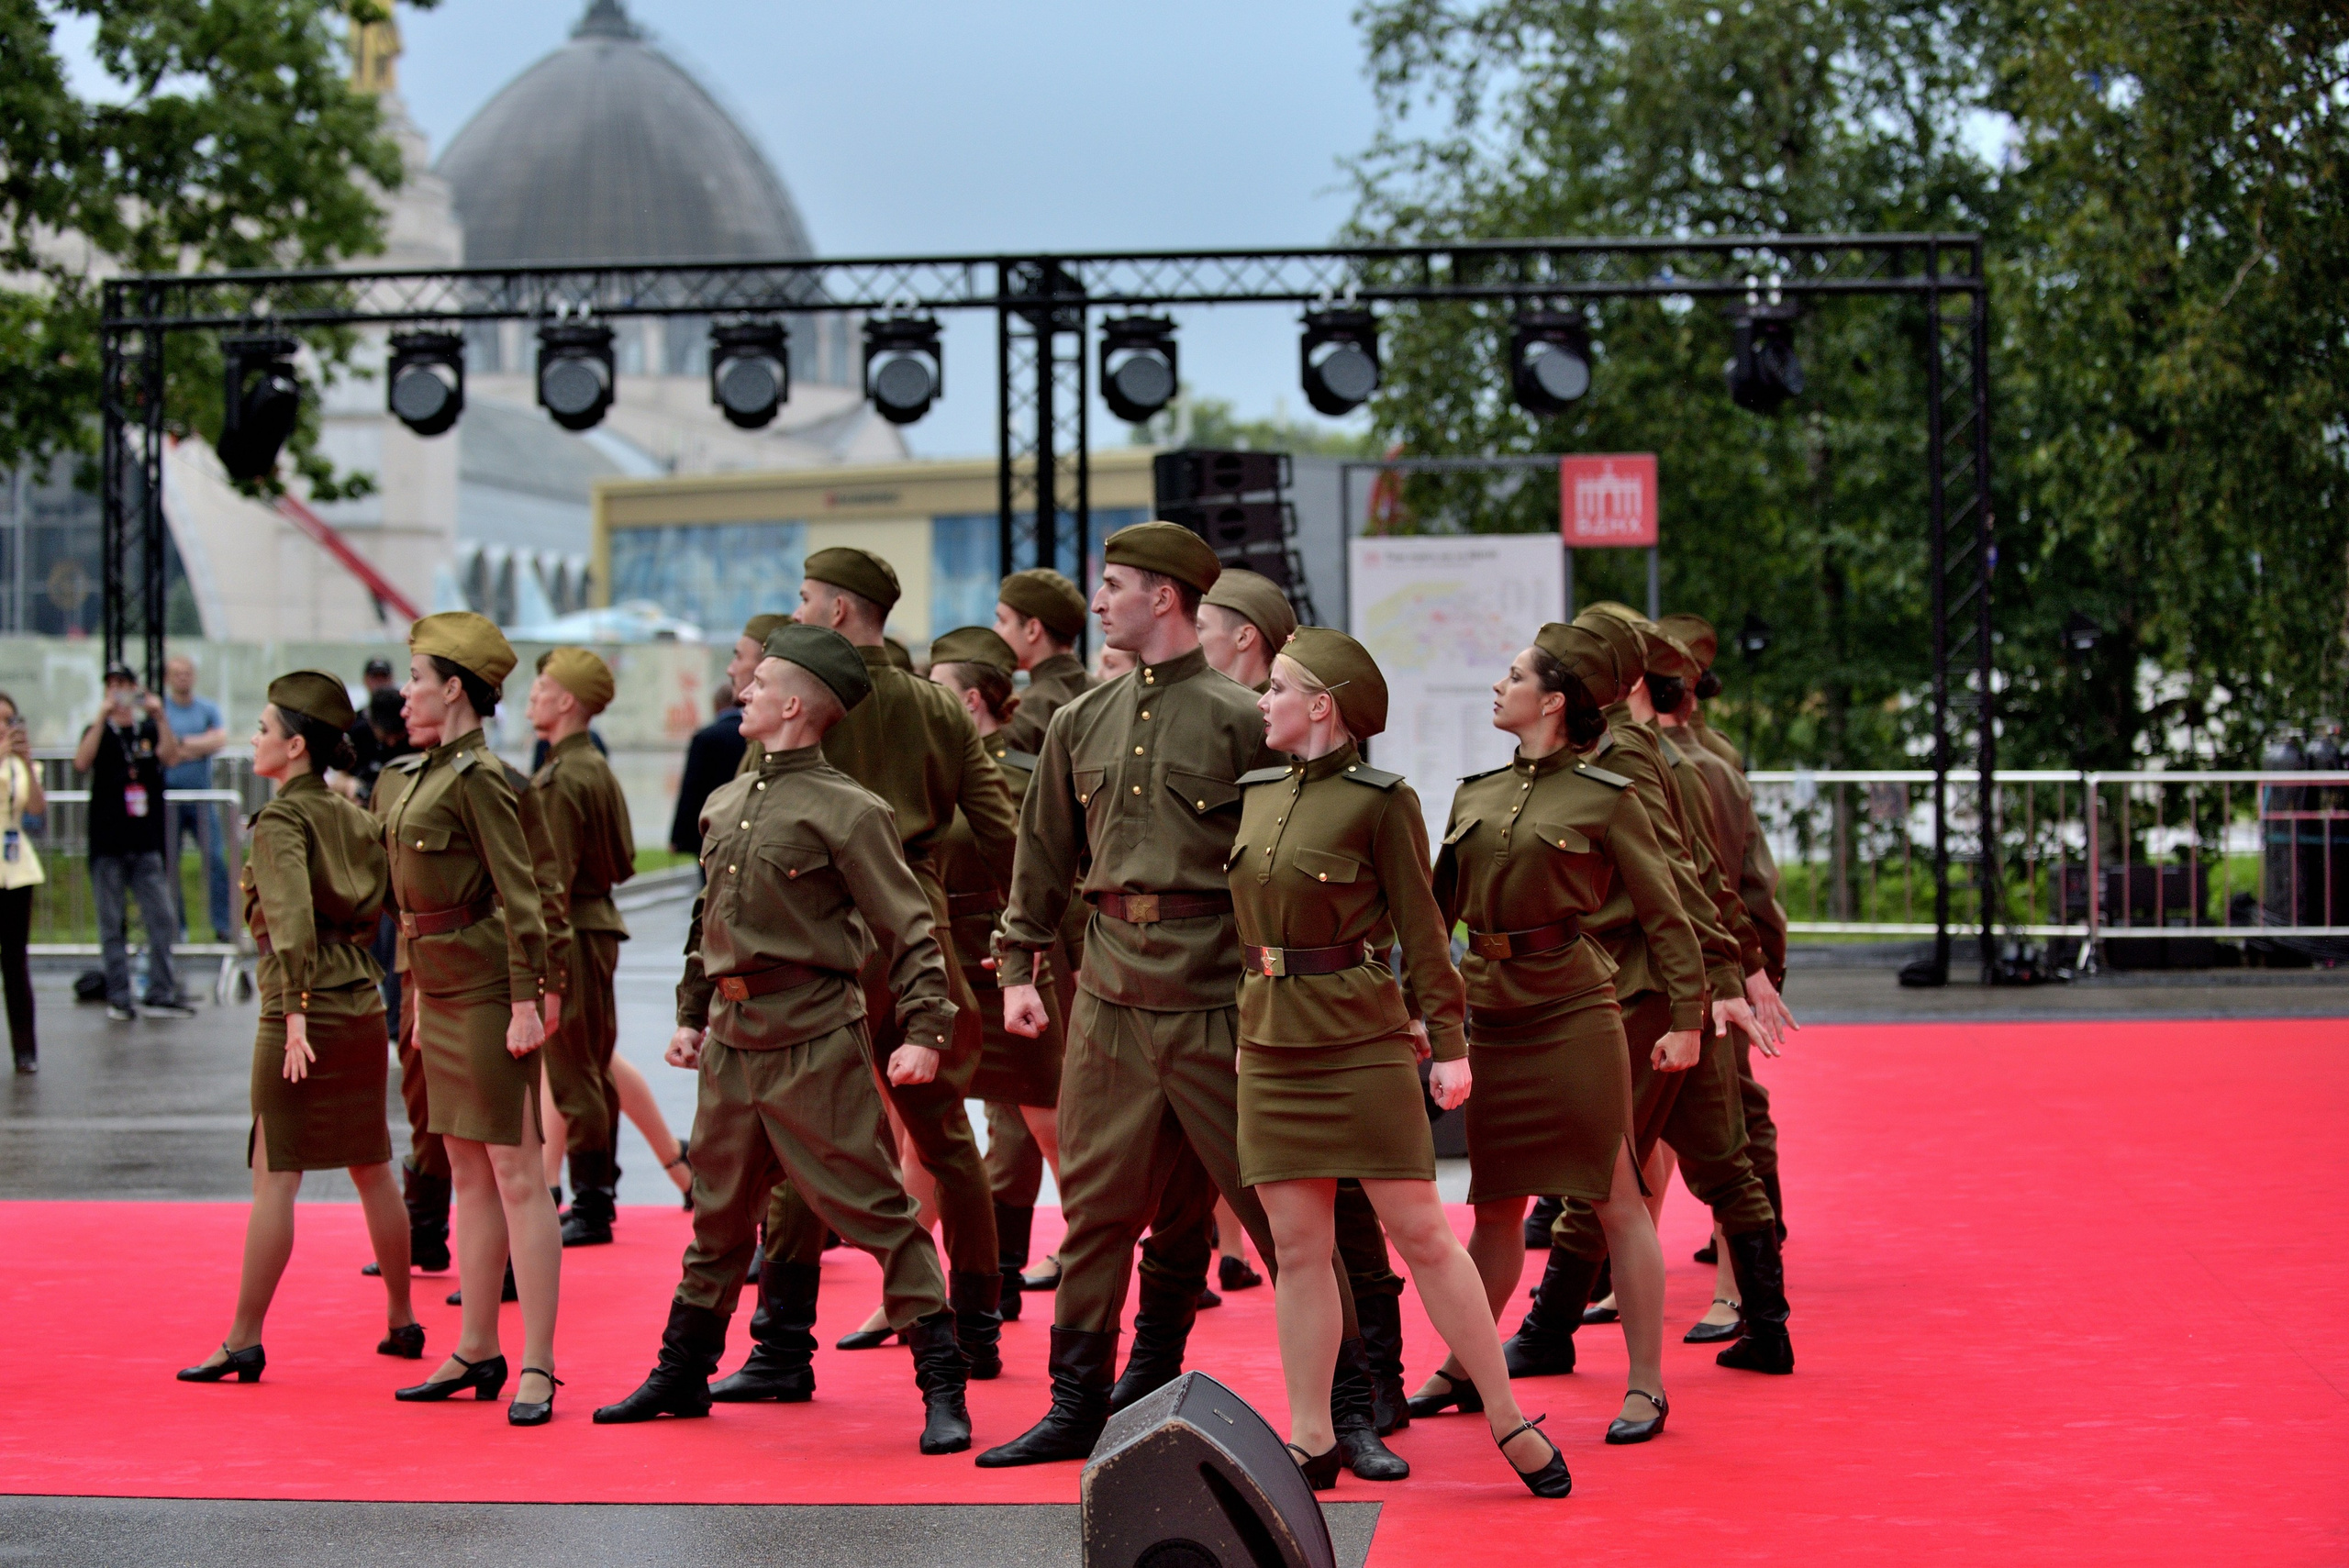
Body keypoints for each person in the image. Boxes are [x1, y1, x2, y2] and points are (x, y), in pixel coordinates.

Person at [976, 523, 1361, 1471]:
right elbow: (1042, 858)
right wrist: (1019, 965)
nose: (1099, 602)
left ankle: (1350, 1407)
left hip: (1220, 993)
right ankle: (1075, 1403)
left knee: (1281, 1214)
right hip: (1107, 991)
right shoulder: (1080, 719)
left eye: (1113, 586)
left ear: (1165, 598)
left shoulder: (1241, 716)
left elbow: (1290, 856)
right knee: (1098, 1207)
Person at [592, 624, 975, 1455]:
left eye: (760, 682)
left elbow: (909, 930)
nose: (744, 692)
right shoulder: (726, 801)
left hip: (814, 1037)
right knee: (718, 1217)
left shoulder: (850, 809)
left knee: (877, 1211)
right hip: (733, 1040)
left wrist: (924, 1030)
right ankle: (681, 1371)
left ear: (796, 704)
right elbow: (708, 919)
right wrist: (693, 1013)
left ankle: (943, 1385)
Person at [1230, 628, 1569, 1497]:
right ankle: (1311, 1437)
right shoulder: (1255, 793)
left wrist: (1448, 1047)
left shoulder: (1383, 802)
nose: (1261, 701)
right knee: (1299, 1249)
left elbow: (1425, 937)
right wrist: (1242, 1040)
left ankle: (1505, 1414)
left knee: (1420, 1232)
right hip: (1270, 1044)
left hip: (1360, 1042)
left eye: (1276, 688)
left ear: (1321, 705)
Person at [718, 550, 1018, 1396]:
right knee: (950, 1139)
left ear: (841, 612)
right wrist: (1018, 935)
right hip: (916, 925)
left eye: (808, 599)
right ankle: (976, 1327)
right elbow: (999, 832)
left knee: (805, 1137)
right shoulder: (936, 705)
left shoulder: (801, 695)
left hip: (820, 938)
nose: (799, 611)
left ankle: (781, 1346)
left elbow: (754, 817)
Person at [1422, 628, 1709, 1444]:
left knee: (1615, 1196)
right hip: (1494, 1013)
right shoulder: (1473, 794)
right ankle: (1463, 1366)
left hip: (1576, 1010)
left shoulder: (1606, 793)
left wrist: (1686, 1021)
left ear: (1552, 701)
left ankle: (1647, 1387)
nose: (1498, 684)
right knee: (1496, 1208)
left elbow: (1667, 914)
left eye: (1513, 675)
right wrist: (1420, 1011)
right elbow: (1435, 916)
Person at [1508, 612, 1796, 1379]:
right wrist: (1724, 972)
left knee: (1600, 1163)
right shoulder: (1631, 751)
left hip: (1639, 989)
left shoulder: (1621, 760)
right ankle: (1768, 1326)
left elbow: (1678, 877)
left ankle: (1549, 1328)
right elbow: (1703, 868)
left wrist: (1719, 975)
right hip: (1674, 986)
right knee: (1722, 1157)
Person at [177, 673, 418, 1385]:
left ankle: (243, 1337)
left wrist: (296, 1012)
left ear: (293, 745)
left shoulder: (281, 820)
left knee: (275, 1175)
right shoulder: (351, 813)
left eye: (261, 729)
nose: (253, 739)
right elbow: (387, 903)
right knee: (372, 1165)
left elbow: (287, 924)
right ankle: (403, 1316)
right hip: (361, 999)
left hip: (302, 1005)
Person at [376, 612, 562, 1426]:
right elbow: (414, 912)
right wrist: (415, 998)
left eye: (418, 677)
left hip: (490, 991)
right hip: (442, 991)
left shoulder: (480, 776)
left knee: (519, 1173)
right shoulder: (425, 773)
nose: (408, 689)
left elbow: (522, 898)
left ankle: (539, 1365)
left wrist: (526, 1000)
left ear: (454, 688)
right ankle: (476, 1344)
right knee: (466, 1171)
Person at [924, 627, 1067, 1328]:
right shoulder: (932, 769)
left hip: (1007, 956)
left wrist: (1024, 956)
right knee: (933, 1122)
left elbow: (1040, 874)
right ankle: (938, 1288)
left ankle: (1094, 1254)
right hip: (947, 955)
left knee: (1047, 1122)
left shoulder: (1015, 775)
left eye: (938, 686)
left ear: (972, 700)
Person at [988, 568, 1094, 1297]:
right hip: (1075, 920)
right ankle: (1006, 1261)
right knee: (1024, 1100)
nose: (998, 634)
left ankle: (1068, 1247)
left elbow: (1025, 831)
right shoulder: (1086, 692)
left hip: (1047, 923)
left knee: (1036, 1100)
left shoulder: (1037, 714)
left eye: (1003, 620)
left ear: (1031, 630)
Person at [524, 649, 636, 1248]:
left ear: (567, 700)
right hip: (596, 925)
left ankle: (592, 1203)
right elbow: (623, 859)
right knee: (591, 1065)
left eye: (542, 685)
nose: (533, 694)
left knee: (573, 1074)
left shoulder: (563, 778)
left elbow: (550, 886)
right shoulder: (593, 766)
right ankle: (599, 1194)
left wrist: (547, 973)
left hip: (572, 931)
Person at [74, 662, 190, 1020]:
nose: (120, 692)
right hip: (108, 842)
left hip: (144, 841)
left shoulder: (148, 728)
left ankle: (160, 990)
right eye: (113, 686)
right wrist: (102, 716)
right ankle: (119, 996)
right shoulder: (98, 730)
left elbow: (171, 757)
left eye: (125, 685)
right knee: (112, 924)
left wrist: (161, 717)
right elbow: (82, 761)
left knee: (161, 918)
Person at [161, 654, 234, 943]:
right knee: (169, 863)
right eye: (177, 673)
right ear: (168, 678)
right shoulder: (162, 711)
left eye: (187, 672)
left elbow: (218, 739)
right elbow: (163, 752)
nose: (183, 677)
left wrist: (181, 745)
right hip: (169, 799)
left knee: (216, 859)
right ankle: (176, 927)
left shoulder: (207, 709)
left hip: (202, 799)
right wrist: (195, 747)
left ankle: (223, 925)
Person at [994, 568, 1092, 753]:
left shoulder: (1019, 714)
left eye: (1003, 621)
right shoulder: (1109, 694)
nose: (996, 630)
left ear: (1032, 629)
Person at [0, 692, 45, 1073]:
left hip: (15, 867)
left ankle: (25, 1050)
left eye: (9, 719)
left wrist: (26, 764)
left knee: (15, 961)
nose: (4, 727)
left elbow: (36, 808)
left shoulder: (18, 764)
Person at [670, 678, 750, 863]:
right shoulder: (751, 736)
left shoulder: (705, 737)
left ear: (716, 705)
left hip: (710, 828)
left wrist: (678, 836)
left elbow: (691, 788)